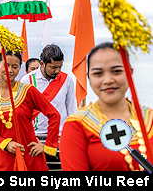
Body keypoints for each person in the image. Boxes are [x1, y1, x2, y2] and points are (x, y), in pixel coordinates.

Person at [60, 42, 153, 171]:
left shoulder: (150, 118)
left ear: (130, 72)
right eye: (98, 73)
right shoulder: (76, 125)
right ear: (89, 78)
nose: (108, 80)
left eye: (117, 71)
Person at [0, 51, 61, 171]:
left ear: (20, 68)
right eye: (6, 65)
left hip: (31, 155)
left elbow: (54, 115)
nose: (10, 70)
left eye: (15, 66)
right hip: (5, 157)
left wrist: (47, 145)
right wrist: (6, 144)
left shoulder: (28, 91)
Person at [21, 44, 76, 136]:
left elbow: (71, 109)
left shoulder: (67, 80)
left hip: (59, 135)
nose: (57, 71)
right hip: (35, 135)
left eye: (60, 67)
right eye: (53, 67)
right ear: (42, 64)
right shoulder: (27, 80)